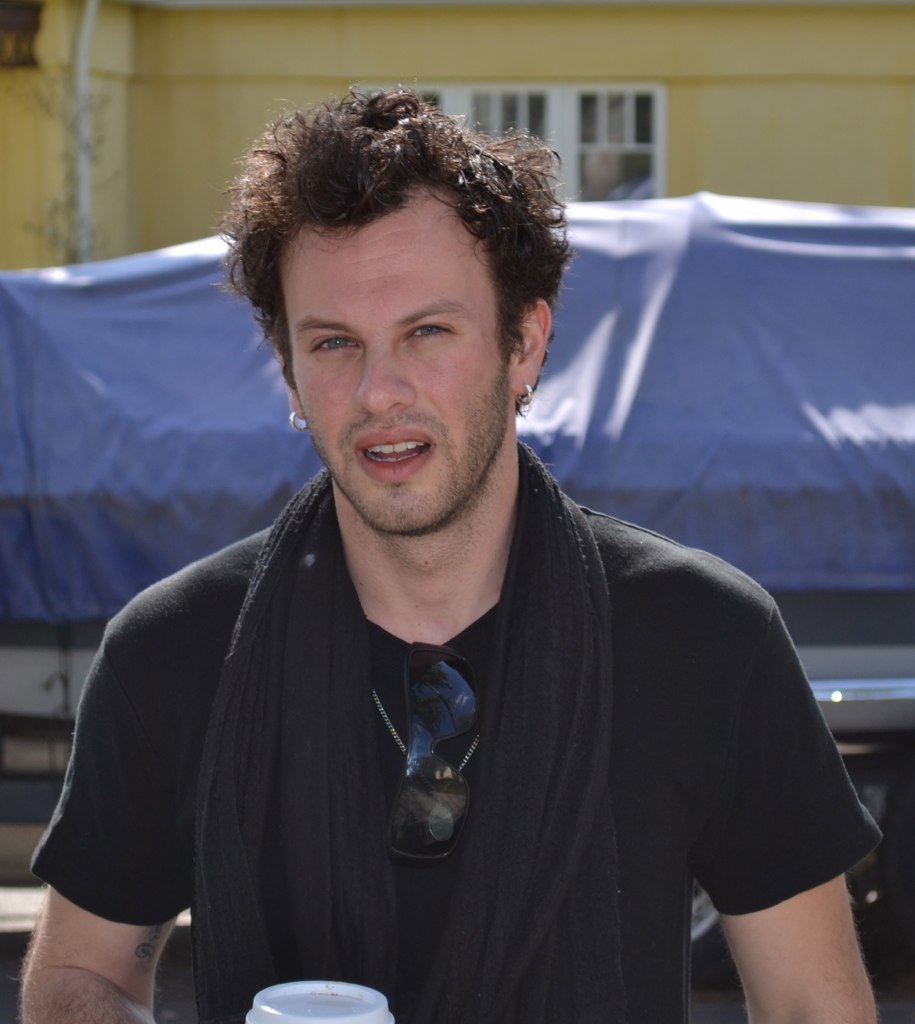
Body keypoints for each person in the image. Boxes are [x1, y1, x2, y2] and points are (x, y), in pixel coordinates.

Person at [21, 89, 880, 1024]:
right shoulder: (173, 651)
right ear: (289, 373)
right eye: (334, 344)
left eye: (427, 334)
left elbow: (811, 1004)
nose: (379, 391)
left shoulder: (705, 639)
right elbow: (81, 977)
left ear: (525, 345)